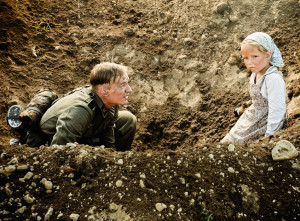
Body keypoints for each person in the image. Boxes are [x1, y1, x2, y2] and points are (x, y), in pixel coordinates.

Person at [28, 62, 136, 151]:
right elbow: (58, 150)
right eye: (122, 85)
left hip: (85, 130)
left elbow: (108, 130)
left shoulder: (111, 102)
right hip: (50, 142)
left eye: (127, 83)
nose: (129, 90)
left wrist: (113, 157)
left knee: (127, 119)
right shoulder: (80, 110)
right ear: (104, 91)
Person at [221, 32, 287, 144]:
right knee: (228, 140)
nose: (249, 62)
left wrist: (269, 136)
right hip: (252, 116)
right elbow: (259, 98)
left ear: (268, 55)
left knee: (238, 146)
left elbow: (277, 111)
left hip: (264, 123)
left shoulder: (273, 79)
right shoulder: (256, 73)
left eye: (254, 57)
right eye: (245, 58)